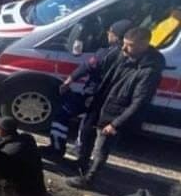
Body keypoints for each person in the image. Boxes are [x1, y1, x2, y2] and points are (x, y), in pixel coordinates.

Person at [68, 27, 165, 190]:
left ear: (144, 45)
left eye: (130, 45)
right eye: (124, 44)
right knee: (86, 135)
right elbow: (101, 69)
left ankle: (90, 179)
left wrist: (115, 124)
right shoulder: (123, 55)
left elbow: (139, 102)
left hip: (115, 114)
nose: (124, 48)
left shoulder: (149, 70)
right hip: (100, 105)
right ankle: (81, 164)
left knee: (102, 148)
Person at [44, 19, 131, 162]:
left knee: (63, 115)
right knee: (89, 127)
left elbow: (86, 67)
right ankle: (81, 157)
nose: (107, 34)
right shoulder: (135, 57)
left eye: (110, 31)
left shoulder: (106, 54)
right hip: (113, 100)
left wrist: (68, 81)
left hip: (93, 96)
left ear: (116, 36)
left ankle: (57, 150)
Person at [0, 116, 46, 196]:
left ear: (1, 131)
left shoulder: (5, 152)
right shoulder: (28, 139)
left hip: (25, 194)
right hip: (39, 189)